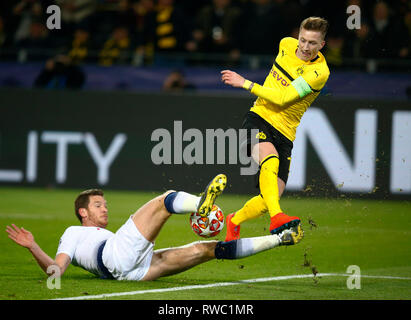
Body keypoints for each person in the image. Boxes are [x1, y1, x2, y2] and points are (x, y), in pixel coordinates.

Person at [5, 174, 303, 281]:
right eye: (98, 205)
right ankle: (202, 204)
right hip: (116, 256)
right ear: (82, 212)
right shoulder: (72, 234)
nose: (105, 207)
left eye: (105, 203)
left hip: (132, 272)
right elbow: (56, 271)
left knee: (207, 250)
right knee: (163, 200)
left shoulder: (100, 233)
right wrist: (33, 246)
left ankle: (281, 239)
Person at [221, 17, 330, 241]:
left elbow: (282, 98)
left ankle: (234, 220)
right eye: (303, 40)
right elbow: (274, 97)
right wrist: (249, 86)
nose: (306, 47)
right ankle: (277, 217)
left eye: (312, 43)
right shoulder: (285, 44)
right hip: (258, 117)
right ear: (297, 36)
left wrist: (246, 83)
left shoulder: (319, 73)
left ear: (322, 45)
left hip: (286, 133)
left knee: (269, 198)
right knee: (269, 160)